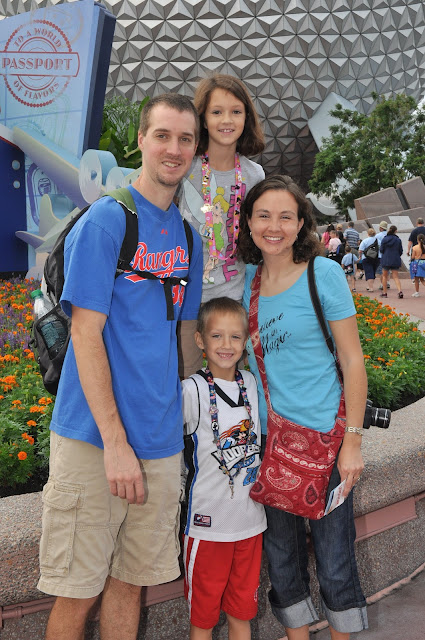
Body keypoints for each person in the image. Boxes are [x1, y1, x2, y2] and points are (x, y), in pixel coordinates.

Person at [37, 94, 204, 640]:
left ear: (195, 149)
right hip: (95, 439)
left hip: (160, 442)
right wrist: (114, 443)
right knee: (77, 591)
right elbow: (85, 333)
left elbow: (183, 338)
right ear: (141, 141)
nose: (173, 149)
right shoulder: (108, 220)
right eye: (163, 136)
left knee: (131, 584)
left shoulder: (189, 238)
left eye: (185, 139)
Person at [238, 175, 368, 640]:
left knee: (335, 560)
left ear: (300, 223)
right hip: (269, 444)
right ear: (248, 222)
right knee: (282, 558)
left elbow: (352, 360)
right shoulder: (248, 281)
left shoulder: (322, 273)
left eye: (285, 217)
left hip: (324, 443)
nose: (274, 227)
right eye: (263, 216)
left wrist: (352, 442)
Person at [182, 297, 266, 640]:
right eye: (217, 336)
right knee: (203, 621)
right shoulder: (192, 390)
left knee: (242, 615)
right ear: (200, 339)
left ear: (245, 341)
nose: (226, 345)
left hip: (250, 524)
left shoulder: (251, 384)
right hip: (207, 528)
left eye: (235, 336)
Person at [178, 73, 265, 378]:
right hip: (186, 300)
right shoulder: (185, 168)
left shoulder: (255, 175)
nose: (226, 120)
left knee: (230, 384)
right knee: (187, 381)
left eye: (236, 111)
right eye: (216, 112)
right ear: (202, 119)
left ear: (247, 117)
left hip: (232, 298)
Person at [379, 225, 404, 298]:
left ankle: (384, 293)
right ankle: (400, 291)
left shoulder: (385, 239)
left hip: (386, 259)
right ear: (396, 231)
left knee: (384, 276)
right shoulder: (398, 240)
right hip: (395, 259)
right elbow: (400, 251)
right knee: (395, 277)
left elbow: (381, 250)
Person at [358, 227, 379, 291]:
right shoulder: (378, 241)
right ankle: (370, 285)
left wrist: (360, 257)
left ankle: (371, 287)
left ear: (368, 234)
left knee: (368, 272)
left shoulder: (365, 241)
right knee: (373, 272)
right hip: (376, 258)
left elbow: (360, 250)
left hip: (366, 258)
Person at [375, 221, 390, 290]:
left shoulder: (378, 236)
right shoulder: (389, 235)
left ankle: (382, 284)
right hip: (388, 255)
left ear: (381, 228)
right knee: (387, 270)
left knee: (382, 270)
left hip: (381, 255)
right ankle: (388, 282)